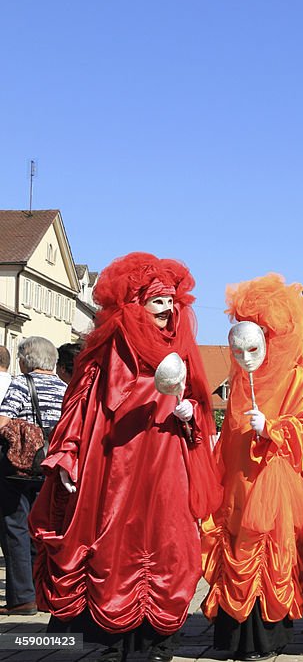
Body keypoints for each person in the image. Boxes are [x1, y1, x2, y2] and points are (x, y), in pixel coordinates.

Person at [29, 252, 222, 662]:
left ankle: (156, 639)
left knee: (169, 542)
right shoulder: (107, 351)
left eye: (172, 301)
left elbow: (199, 406)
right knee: (115, 542)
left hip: (168, 460)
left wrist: (189, 411)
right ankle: (112, 638)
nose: (168, 310)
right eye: (157, 301)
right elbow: (79, 407)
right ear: (135, 304)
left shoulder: (182, 350)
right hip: (116, 464)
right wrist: (67, 453)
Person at [201, 274, 303, 661]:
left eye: (253, 349)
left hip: (275, 480)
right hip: (239, 479)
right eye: (238, 352)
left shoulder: (296, 378)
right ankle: (235, 637)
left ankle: (266, 638)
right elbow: (232, 434)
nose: (247, 359)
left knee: (267, 547)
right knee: (236, 544)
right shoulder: (238, 381)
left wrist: (272, 429)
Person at [0, 337, 67, 616]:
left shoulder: (22, 383)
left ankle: (22, 598)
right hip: (53, 466)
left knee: (15, 527)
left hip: (19, 468)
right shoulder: (66, 388)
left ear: (26, 359)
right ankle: (43, 593)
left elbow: (3, 419)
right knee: (43, 529)